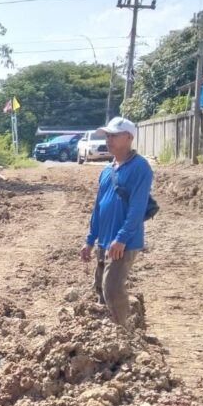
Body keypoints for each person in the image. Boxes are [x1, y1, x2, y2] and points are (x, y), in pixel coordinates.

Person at [79, 116, 153, 327]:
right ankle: (105, 331)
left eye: (114, 136)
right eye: (107, 136)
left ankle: (122, 332)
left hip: (124, 242)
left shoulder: (140, 167)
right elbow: (98, 207)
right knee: (100, 287)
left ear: (129, 138)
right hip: (105, 240)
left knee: (111, 288)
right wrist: (90, 240)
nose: (108, 140)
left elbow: (137, 208)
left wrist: (121, 238)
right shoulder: (107, 170)